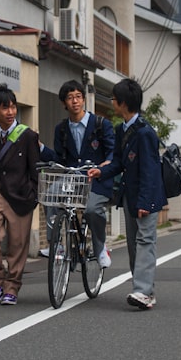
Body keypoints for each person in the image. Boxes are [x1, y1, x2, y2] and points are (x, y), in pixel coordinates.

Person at [88, 78, 167, 310]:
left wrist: (145, 202)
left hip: (146, 197)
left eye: (114, 98)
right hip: (131, 196)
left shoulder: (145, 133)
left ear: (123, 102)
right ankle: (145, 291)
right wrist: (101, 171)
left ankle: (141, 291)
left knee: (144, 241)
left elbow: (151, 172)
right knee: (133, 244)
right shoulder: (122, 128)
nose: (112, 101)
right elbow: (119, 162)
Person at [0, 84, 41, 305]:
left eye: (13, 107)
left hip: (21, 196)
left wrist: (33, 194)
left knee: (17, 244)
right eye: (5, 108)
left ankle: (12, 287)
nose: (10, 112)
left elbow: (35, 170)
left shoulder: (28, 136)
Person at [40, 79, 116, 268]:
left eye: (78, 97)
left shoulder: (100, 124)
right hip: (73, 180)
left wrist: (106, 163)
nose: (75, 101)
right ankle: (56, 245)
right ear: (64, 103)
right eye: (70, 98)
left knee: (91, 210)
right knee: (48, 196)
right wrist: (41, 148)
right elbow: (59, 159)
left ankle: (100, 248)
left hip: (97, 179)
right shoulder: (62, 129)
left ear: (83, 100)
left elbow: (113, 150)